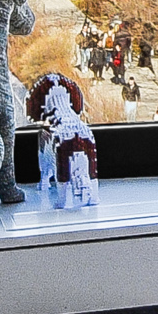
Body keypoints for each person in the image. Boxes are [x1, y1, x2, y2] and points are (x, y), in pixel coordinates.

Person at [28, 68, 99, 215]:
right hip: (77, 136)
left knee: (52, 158)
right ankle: (91, 195)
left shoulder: (52, 130)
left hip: (61, 137)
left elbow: (32, 112)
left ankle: (58, 193)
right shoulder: (85, 130)